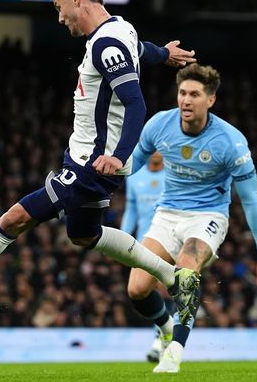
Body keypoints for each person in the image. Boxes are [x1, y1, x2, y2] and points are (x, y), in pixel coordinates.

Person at [0, 0, 201, 326]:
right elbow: (141, 50)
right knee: (84, 234)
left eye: (60, 7)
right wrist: (164, 54)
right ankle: (174, 278)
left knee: (13, 220)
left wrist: (117, 155)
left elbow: (136, 104)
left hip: (89, 165)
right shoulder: (120, 29)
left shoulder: (105, 45)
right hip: (89, 161)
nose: (59, 18)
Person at [125, 64, 257, 373]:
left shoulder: (230, 142)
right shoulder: (159, 126)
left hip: (207, 216)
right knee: (137, 289)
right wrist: (98, 179)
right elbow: (131, 166)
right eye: (182, 93)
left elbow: (250, 201)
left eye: (195, 94)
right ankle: (167, 329)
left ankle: (175, 352)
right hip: (167, 214)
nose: (186, 100)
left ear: (211, 100)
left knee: (185, 273)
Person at [119, 152, 168, 362]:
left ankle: (160, 341)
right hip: (143, 244)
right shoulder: (135, 176)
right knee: (143, 292)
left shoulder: (173, 175)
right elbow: (131, 210)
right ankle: (162, 336)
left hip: (169, 241)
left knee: (166, 291)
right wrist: (121, 239)